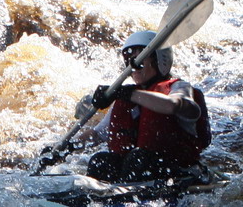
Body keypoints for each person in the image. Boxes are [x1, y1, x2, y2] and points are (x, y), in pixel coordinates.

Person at [83, 29, 211, 183]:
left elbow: (173, 105)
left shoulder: (179, 87)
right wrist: (66, 147)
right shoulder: (127, 97)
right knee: (101, 161)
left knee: (138, 158)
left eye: (140, 60)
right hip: (136, 171)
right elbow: (97, 134)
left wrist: (126, 93)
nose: (133, 65)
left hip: (178, 172)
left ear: (160, 61)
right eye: (129, 60)